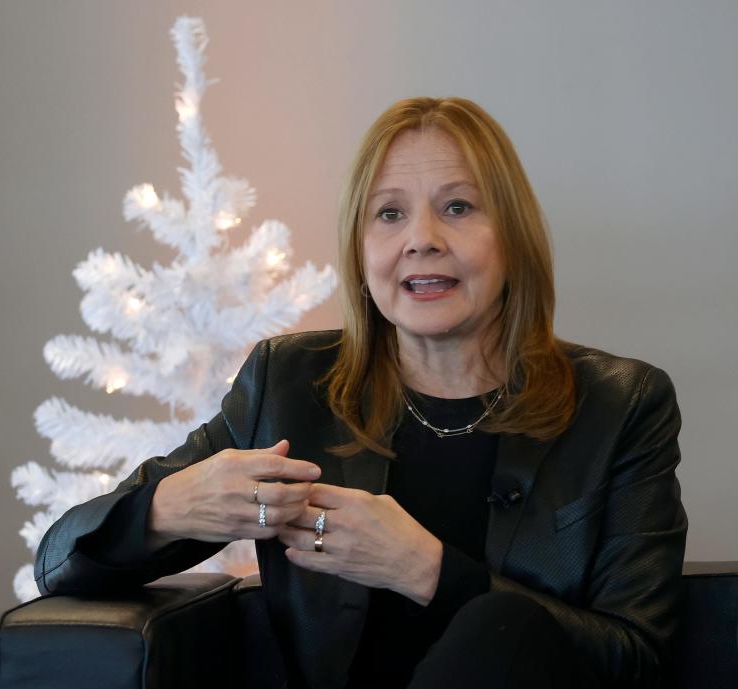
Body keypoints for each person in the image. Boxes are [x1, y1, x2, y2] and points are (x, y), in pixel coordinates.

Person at [34, 97, 686, 689]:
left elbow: (635, 658)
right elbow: (61, 561)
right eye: (389, 213)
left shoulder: (620, 406)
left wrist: (427, 568)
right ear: (361, 247)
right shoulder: (289, 384)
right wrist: (169, 505)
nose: (421, 238)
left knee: (506, 630)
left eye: (458, 206)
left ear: (512, 238)